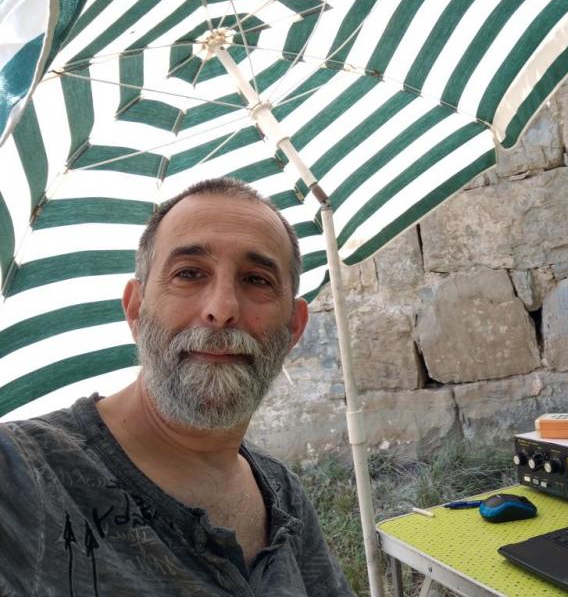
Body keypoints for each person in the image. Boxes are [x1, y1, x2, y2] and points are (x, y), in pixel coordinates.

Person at [0, 178, 355, 596]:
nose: (222, 309)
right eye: (189, 273)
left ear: (294, 327)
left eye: (257, 280)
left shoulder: (283, 495)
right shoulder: (22, 475)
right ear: (136, 309)